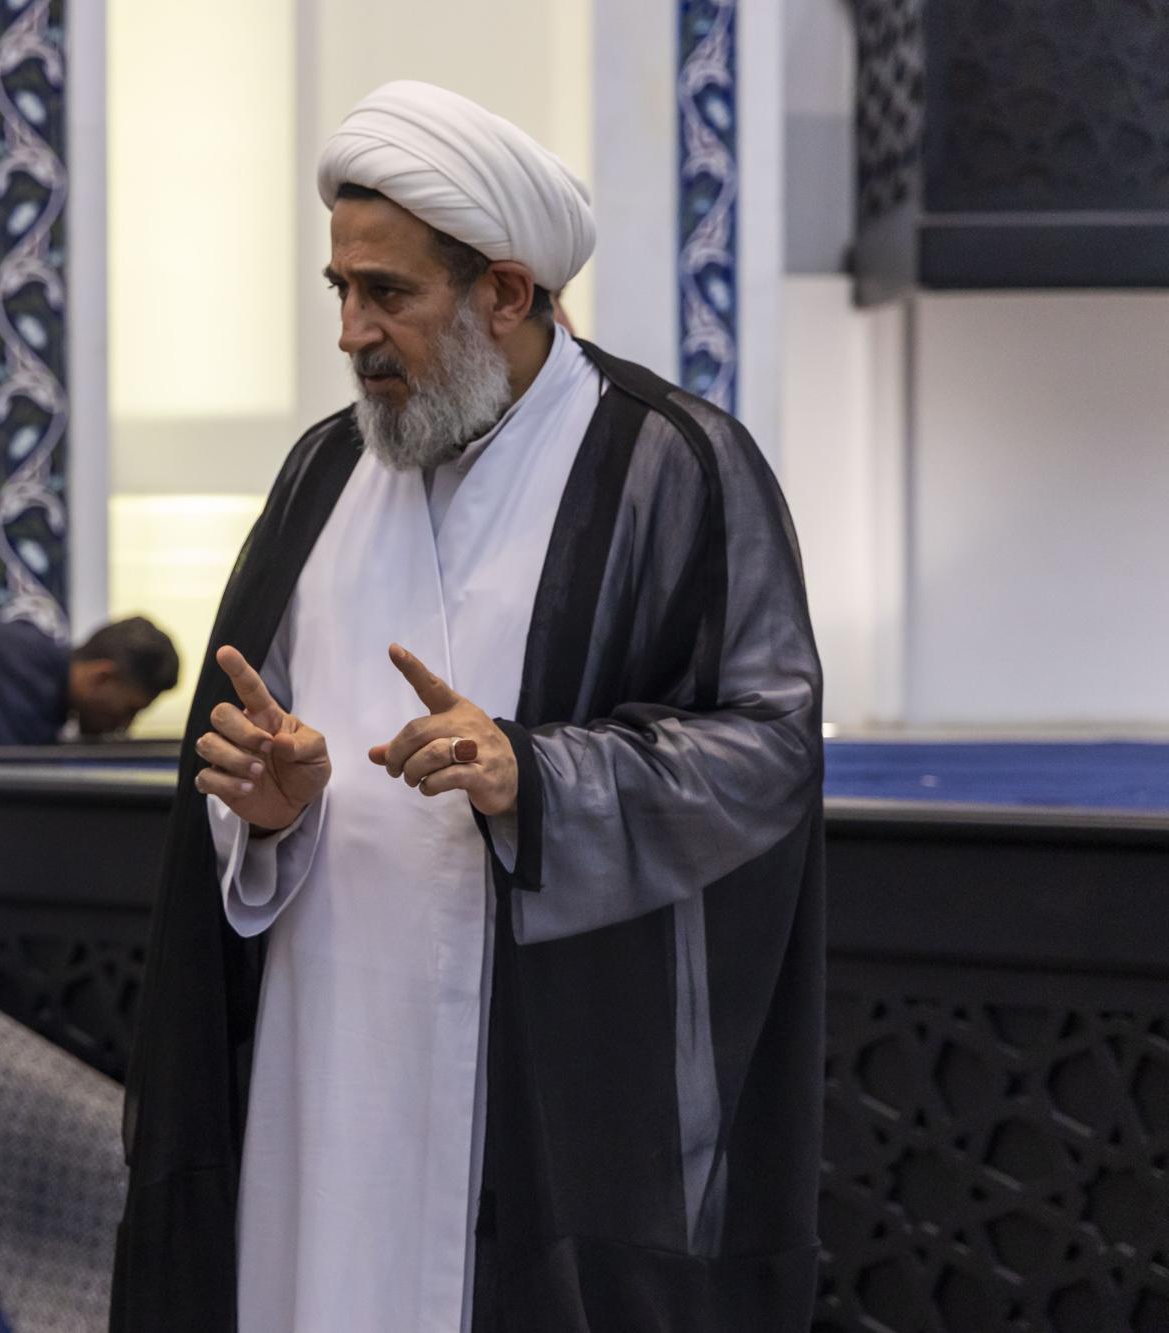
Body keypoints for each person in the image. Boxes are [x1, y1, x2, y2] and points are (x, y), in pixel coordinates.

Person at [113, 81, 824, 1332]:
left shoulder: (667, 464)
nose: (351, 332)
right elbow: (248, 758)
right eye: (339, 290)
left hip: (545, 1083)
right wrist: (267, 810)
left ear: (503, 290)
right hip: (321, 1053)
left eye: (386, 293)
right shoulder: (323, 468)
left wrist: (533, 777)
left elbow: (765, 746)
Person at [0, 613, 180, 746]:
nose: (125, 725)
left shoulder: (34, 659)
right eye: (129, 710)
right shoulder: (24, 689)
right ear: (102, 677)